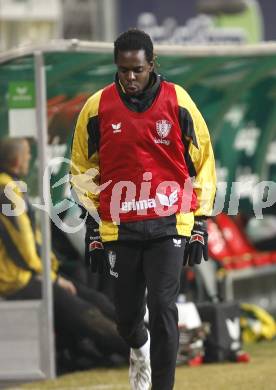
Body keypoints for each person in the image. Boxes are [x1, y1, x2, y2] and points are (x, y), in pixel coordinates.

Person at [70, 29, 216, 390]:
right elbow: (81, 170)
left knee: (165, 307)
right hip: (121, 226)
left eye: (137, 70)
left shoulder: (178, 101)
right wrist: (93, 228)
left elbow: (203, 162)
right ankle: (138, 346)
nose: (130, 78)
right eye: (123, 70)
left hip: (170, 222)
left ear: (152, 65)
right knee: (126, 317)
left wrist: (199, 223)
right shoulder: (96, 108)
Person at [0, 137, 128, 368]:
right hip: (15, 280)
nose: (31, 157)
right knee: (83, 311)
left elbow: (33, 241)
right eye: (28, 153)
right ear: (17, 160)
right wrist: (51, 277)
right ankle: (141, 350)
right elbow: (22, 245)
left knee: (96, 299)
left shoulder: (13, 186)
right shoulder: (5, 190)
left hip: (31, 273)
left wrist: (51, 272)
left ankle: (148, 338)